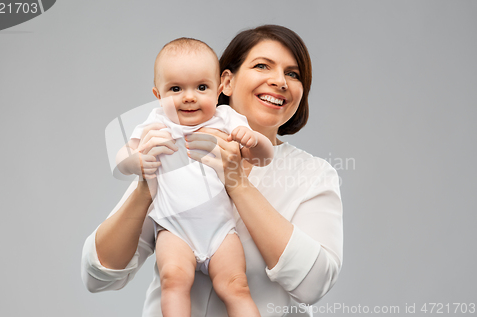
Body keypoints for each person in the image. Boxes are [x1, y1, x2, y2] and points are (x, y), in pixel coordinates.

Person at [82, 24, 343, 317]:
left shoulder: (313, 174)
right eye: (262, 66)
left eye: (293, 74)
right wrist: (145, 187)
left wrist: (237, 182)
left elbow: (314, 284)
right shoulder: (175, 145)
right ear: (226, 83)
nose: (280, 81)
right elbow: (98, 275)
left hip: (226, 249)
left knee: (235, 286)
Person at [115, 37, 273, 317]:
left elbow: (264, 157)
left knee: (236, 287)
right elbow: (122, 157)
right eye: (175, 88)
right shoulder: (156, 122)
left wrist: (253, 140)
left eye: (201, 87)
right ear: (158, 95)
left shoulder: (226, 119)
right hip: (174, 230)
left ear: (219, 88)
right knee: (173, 282)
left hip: (221, 231)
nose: (189, 97)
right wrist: (135, 162)